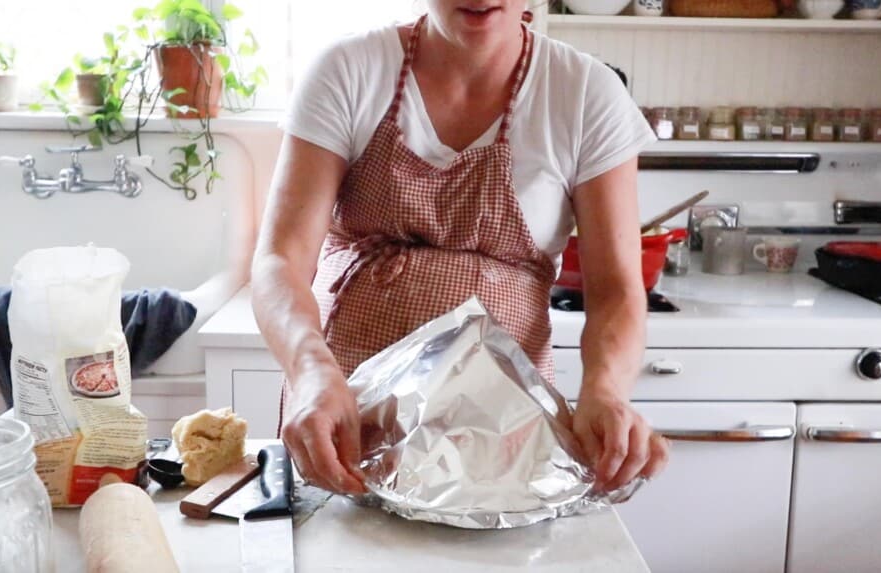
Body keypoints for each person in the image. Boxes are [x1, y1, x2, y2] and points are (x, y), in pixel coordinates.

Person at [251, 0, 670, 496]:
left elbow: (616, 289)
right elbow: (281, 259)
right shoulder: (348, 71)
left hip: (506, 420)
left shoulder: (584, 94)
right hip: (346, 410)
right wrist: (309, 370)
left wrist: (605, 389)